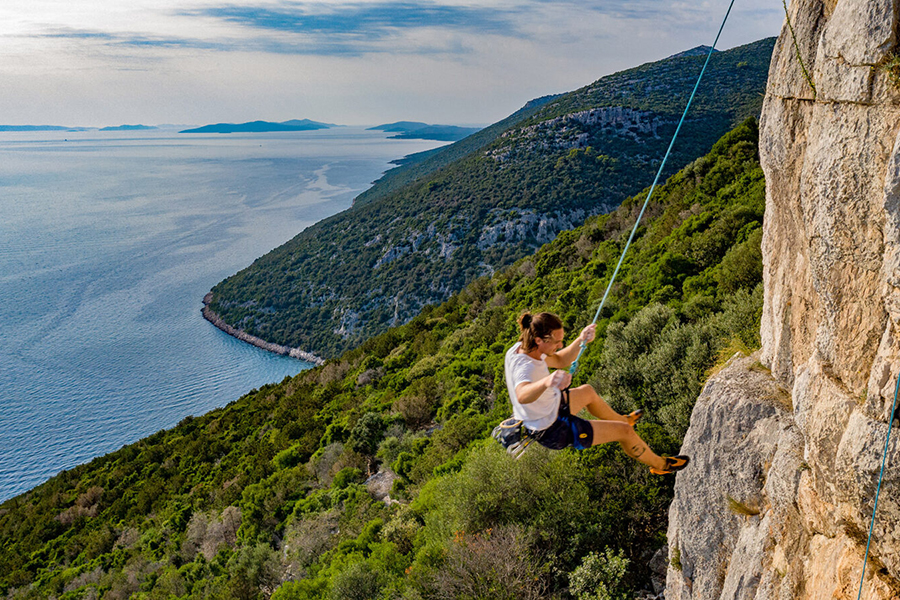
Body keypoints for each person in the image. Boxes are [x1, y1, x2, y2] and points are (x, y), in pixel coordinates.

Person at [504, 311, 689, 474]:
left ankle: (624, 419)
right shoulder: (525, 366)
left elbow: (560, 360)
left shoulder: (526, 347)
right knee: (624, 432)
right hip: (552, 430)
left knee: (587, 392)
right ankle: (663, 465)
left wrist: (581, 339)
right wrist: (547, 381)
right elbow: (522, 394)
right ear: (539, 340)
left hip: (550, 407)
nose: (559, 345)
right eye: (557, 341)